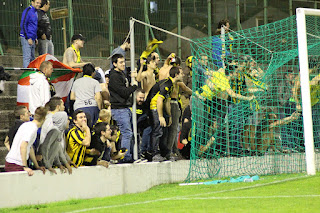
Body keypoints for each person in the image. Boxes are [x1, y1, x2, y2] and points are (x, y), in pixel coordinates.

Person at [145, 66, 184, 161]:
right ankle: (154, 154)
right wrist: (160, 116)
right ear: (176, 75)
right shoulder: (167, 83)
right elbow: (159, 100)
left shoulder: (172, 84)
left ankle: (164, 153)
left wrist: (169, 115)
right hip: (154, 107)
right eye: (181, 73)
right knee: (158, 131)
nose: (183, 75)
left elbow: (166, 101)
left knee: (165, 132)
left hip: (160, 108)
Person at [108, 54, 138, 163]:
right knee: (127, 133)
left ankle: (128, 155)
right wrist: (134, 86)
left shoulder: (121, 74)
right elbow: (124, 92)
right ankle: (125, 157)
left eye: (124, 61)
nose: (123, 64)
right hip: (119, 109)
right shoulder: (114, 76)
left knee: (129, 134)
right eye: (120, 62)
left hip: (125, 108)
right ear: (114, 64)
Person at [5, 107, 47, 176]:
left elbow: (29, 148)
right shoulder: (32, 128)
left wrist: (37, 166)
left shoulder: (27, 125)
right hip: (15, 163)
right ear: (44, 118)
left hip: (13, 162)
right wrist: (25, 166)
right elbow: (23, 145)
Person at [20, 0, 41, 68]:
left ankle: (31, 75)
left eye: (40, 3)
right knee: (27, 57)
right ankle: (26, 76)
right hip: (27, 38)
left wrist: (35, 38)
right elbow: (23, 24)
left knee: (32, 58)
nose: (39, 4)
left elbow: (33, 26)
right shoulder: (27, 11)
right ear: (32, 2)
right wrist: (28, 38)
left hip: (32, 38)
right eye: (37, 3)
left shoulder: (36, 12)